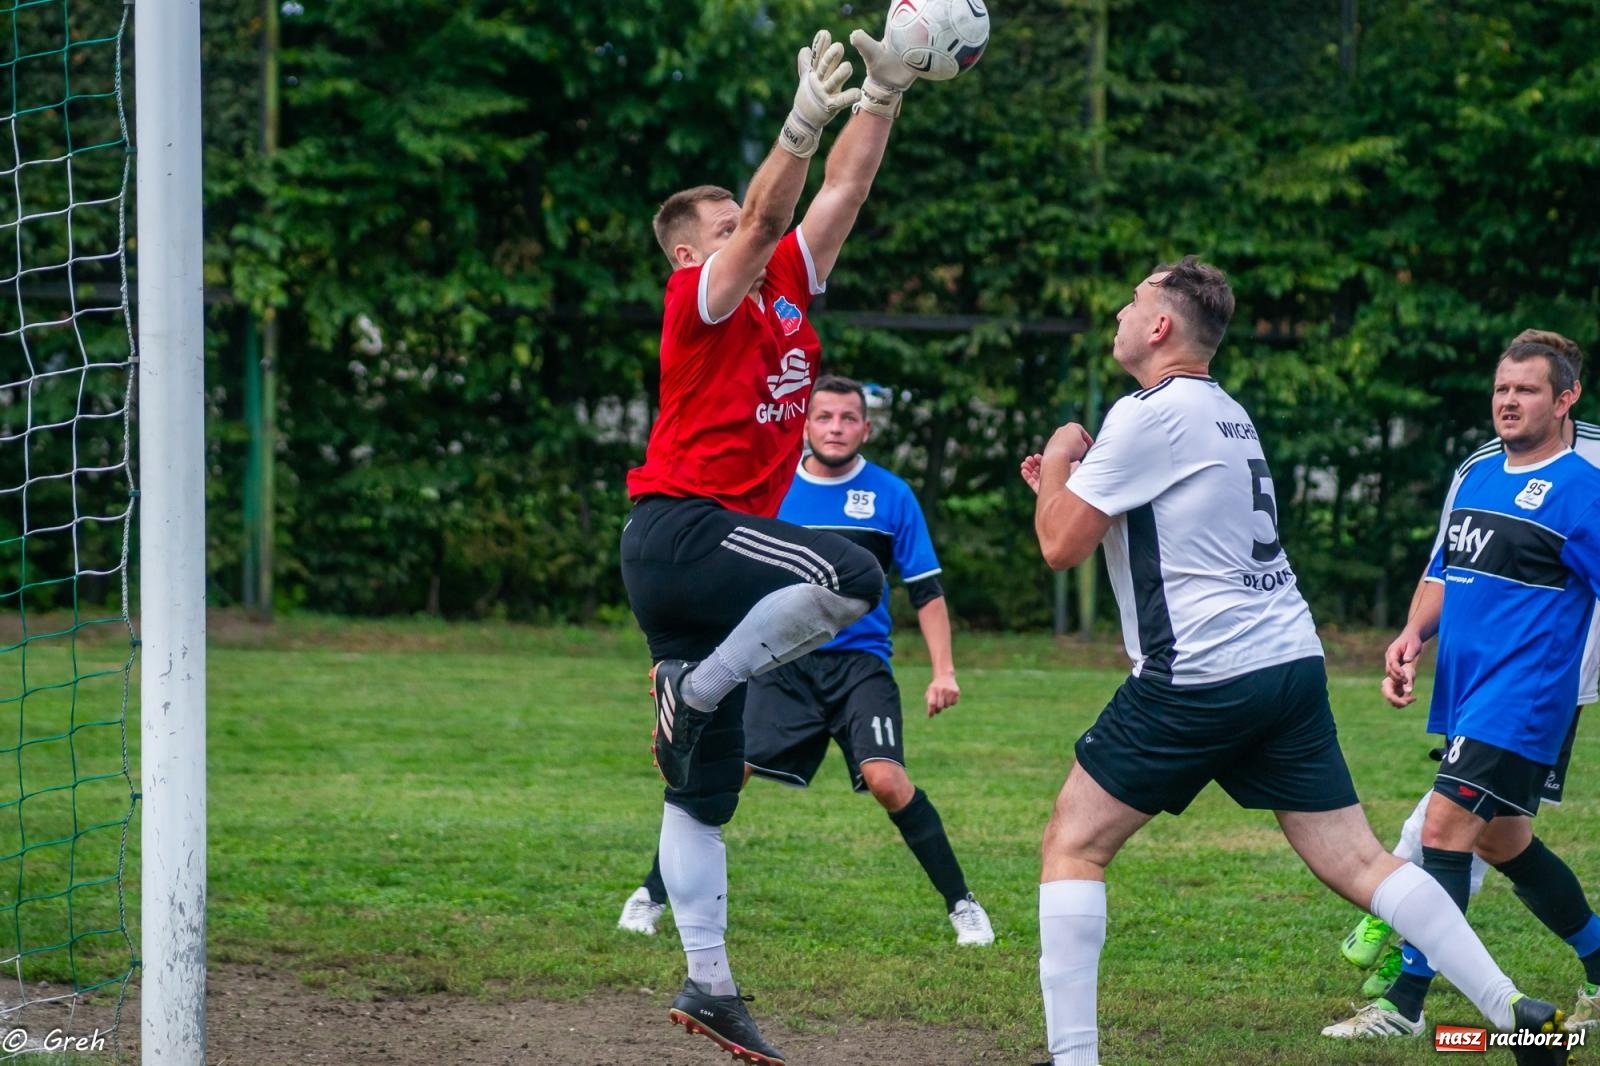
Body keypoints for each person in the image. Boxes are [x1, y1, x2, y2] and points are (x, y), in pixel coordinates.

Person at [1019, 256, 1570, 1066]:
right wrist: (1070, 485)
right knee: (1361, 861)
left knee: (1074, 843)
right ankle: (1514, 1009)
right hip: (1288, 662)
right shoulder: (1225, 411)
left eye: (1133, 303)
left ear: (1160, 326)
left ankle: (1074, 1060)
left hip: (1202, 672)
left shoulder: (1145, 412)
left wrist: (1062, 456)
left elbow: (1058, 546)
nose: (1120, 315)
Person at [619, 21, 939, 1066]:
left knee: (701, 796)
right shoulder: (698, 295)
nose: (752, 228)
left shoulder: (787, 287)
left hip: (706, 557)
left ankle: (709, 985)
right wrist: (799, 122)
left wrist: (882, 96)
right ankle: (699, 688)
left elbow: (839, 193)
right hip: (685, 531)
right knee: (851, 572)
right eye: (723, 224)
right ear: (688, 249)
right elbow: (764, 214)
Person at [618, 376, 995, 948]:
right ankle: (651, 894)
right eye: (824, 417)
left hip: (860, 666)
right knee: (724, 772)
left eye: (848, 418)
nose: (835, 428)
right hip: (781, 667)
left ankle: (962, 904)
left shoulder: (892, 495)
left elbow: (926, 590)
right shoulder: (771, 489)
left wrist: (944, 671)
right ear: (804, 426)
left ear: (866, 429)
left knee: (887, 780)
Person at [1322, 338, 1600, 1042]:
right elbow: (1445, 570)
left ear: (1565, 399)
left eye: (1527, 390)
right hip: (1468, 693)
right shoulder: (1478, 473)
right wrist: (1413, 634)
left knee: (1442, 833)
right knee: (1504, 843)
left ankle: (1406, 1004)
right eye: (1502, 389)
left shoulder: (1583, 491)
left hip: (1523, 699)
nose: (1509, 401)